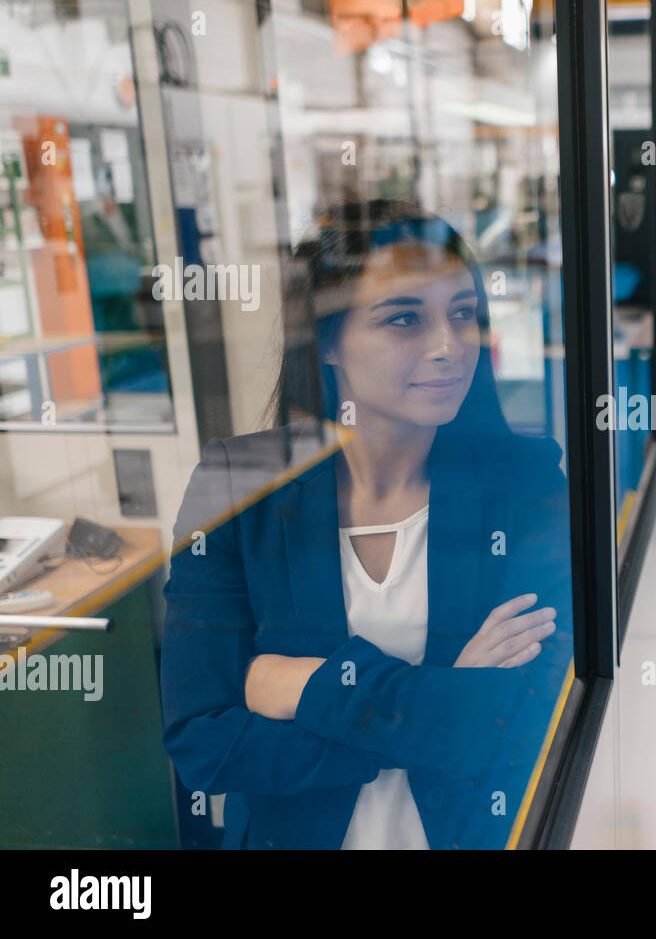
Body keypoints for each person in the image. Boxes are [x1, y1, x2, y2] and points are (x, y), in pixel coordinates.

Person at [160, 200, 572, 848]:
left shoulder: (527, 487)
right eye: (404, 318)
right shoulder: (238, 490)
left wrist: (303, 684)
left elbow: (521, 724)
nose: (448, 346)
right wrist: (441, 701)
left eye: (463, 314)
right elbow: (204, 741)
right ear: (327, 340)